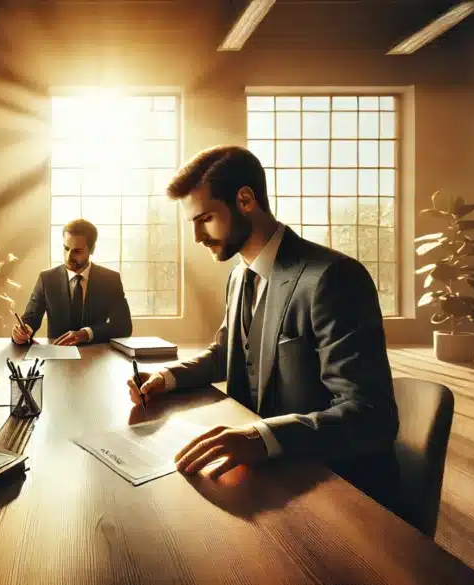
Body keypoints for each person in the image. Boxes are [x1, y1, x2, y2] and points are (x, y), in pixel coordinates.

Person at [127, 145, 401, 512]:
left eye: (204, 218)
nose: (196, 236)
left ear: (245, 200)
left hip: (334, 492)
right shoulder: (240, 276)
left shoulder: (333, 278)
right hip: (264, 481)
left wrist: (262, 437)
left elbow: (370, 415)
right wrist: (166, 377)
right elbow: (226, 352)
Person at [12, 218, 133, 346]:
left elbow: (124, 326)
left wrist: (87, 333)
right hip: (57, 356)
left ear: (91, 249)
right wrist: (21, 333)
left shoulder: (110, 280)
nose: (68, 257)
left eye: (77, 251)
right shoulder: (46, 279)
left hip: (96, 356)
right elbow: (30, 320)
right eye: (66, 248)